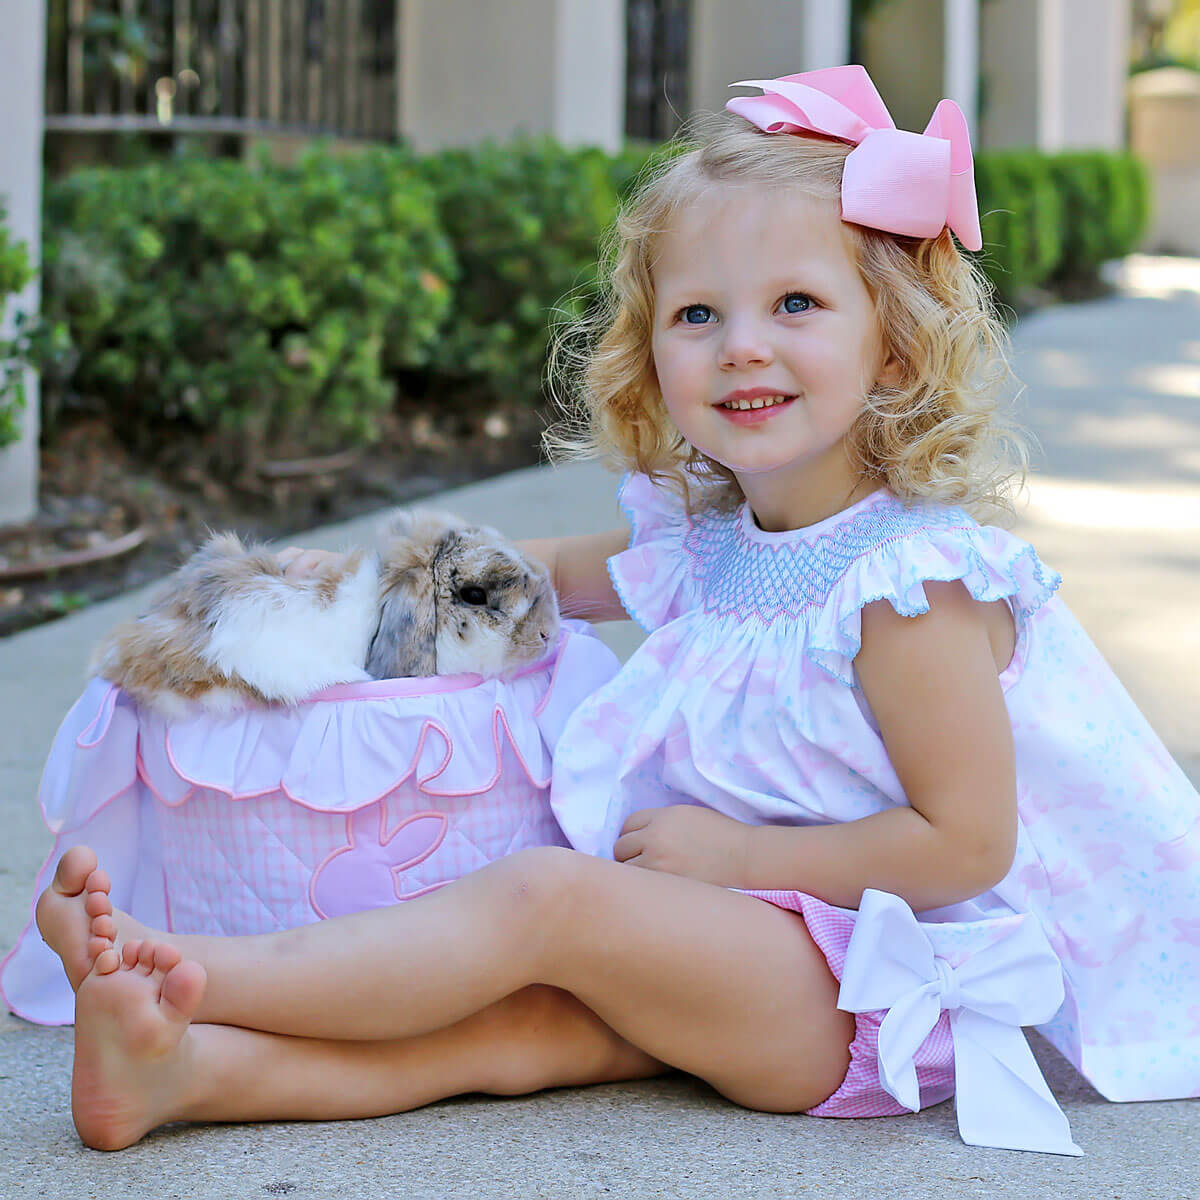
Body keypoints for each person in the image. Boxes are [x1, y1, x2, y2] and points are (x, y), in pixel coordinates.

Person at [31, 66, 1200, 1156]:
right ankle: (180, 1071)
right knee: (518, 1030)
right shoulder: (707, 548)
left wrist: (738, 855)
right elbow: (508, 572)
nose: (744, 345)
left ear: (894, 350)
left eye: (797, 303)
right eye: (699, 315)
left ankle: (182, 967)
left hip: (873, 976)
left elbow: (966, 844)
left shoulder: (911, 584)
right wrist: (328, 584)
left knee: (551, 903)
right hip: (753, 946)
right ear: (652, 350)